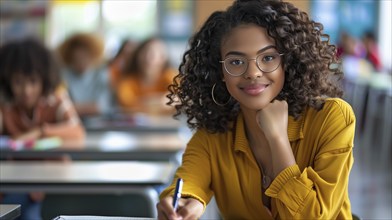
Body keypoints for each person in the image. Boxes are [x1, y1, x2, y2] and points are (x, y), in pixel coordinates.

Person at [157, 0, 356, 219]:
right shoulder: (213, 134)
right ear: (220, 71)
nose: (253, 72)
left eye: (268, 58)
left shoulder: (331, 117)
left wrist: (277, 137)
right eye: (235, 62)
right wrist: (186, 203)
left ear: (287, 62)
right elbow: (188, 183)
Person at [0, 38, 85, 220]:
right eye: (18, 82)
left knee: (23, 208)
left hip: (52, 176)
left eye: (33, 81)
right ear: (8, 81)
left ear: (44, 79)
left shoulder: (55, 99)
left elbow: (77, 130)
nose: (26, 90)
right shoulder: (6, 106)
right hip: (15, 178)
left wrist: (41, 131)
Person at [114, 37, 176, 114]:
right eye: (145, 52)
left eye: (154, 54)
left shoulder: (171, 77)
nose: (148, 58)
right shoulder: (127, 82)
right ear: (137, 56)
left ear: (163, 58)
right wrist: (157, 101)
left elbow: (181, 98)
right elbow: (126, 105)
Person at [57, 33, 113, 117]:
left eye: (85, 57)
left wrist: (72, 108)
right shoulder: (64, 75)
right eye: (77, 58)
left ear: (92, 56)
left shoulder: (100, 74)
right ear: (71, 57)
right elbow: (59, 106)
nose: (82, 62)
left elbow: (101, 106)